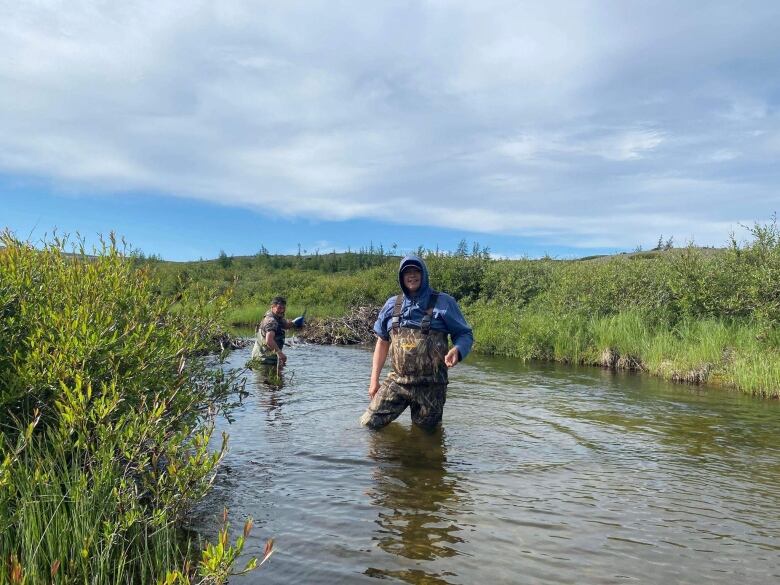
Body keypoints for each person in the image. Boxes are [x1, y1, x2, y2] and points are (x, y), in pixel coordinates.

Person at [360, 255, 473, 430]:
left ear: (424, 274)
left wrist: (458, 350)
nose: (412, 276)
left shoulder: (444, 302)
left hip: (432, 385)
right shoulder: (392, 304)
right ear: (401, 277)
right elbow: (382, 342)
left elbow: (464, 334)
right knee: (369, 424)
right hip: (397, 381)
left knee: (425, 438)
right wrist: (374, 380)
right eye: (407, 272)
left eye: (416, 271)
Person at [250, 296, 305, 368]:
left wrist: (294, 322)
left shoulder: (275, 315)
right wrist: (280, 353)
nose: (282, 310)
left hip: (266, 358)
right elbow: (269, 340)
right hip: (264, 361)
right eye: (279, 308)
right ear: (272, 307)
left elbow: (284, 325)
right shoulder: (271, 321)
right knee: (269, 378)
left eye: (283, 308)